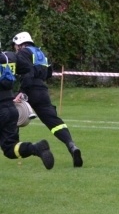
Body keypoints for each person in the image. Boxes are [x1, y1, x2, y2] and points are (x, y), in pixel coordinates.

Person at [12, 32, 83, 167]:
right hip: (42, 90)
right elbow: (49, 73)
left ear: (20, 43)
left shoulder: (22, 53)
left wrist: (22, 92)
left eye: (16, 45)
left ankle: (13, 147)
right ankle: (71, 145)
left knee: (11, 114)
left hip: (29, 89)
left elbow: (28, 73)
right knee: (54, 122)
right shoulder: (40, 53)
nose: (15, 48)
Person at [1, 48, 54, 169]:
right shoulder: (10, 57)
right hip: (11, 108)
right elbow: (27, 68)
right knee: (10, 148)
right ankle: (36, 148)